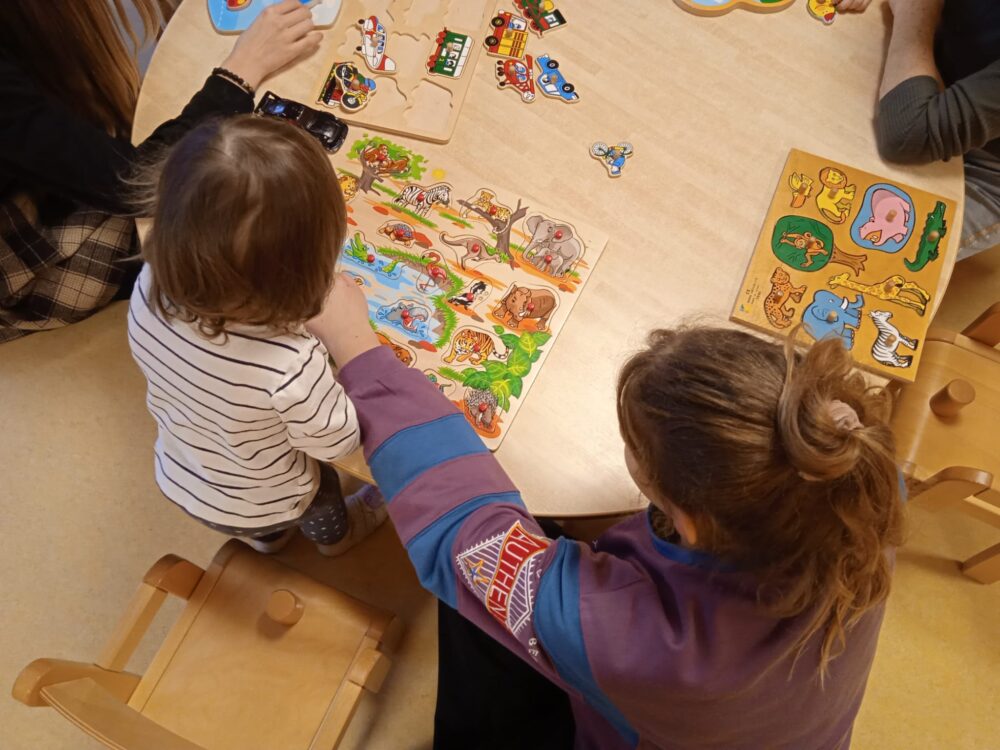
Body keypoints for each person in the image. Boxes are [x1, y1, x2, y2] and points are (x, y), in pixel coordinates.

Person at [309, 279, 905, 749]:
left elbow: (466, 541)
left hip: (654, 721)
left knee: (472, 612)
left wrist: (358, 351)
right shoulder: (856, 483)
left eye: (634, 447)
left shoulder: (638, 640)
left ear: (688, 520)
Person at [127, 116, 385, 555]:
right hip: (277, 497)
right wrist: (351, 338)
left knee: (261, 525)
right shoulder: (289, 366)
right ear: (305, 279)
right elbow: (338, 441)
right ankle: (337, 540)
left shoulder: (149, 285)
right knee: (320, 501)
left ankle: (267, 544)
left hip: (182, 472)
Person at [0, 0, 321, 343]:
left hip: (76, 181)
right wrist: (240, 72)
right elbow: (136, 180)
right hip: (25, 267)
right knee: (229, 220)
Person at [872, 0, 1000, 259]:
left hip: (989, 170)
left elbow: (909, 135)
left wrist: (913, 13)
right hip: (941, 64)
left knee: (880, 254)